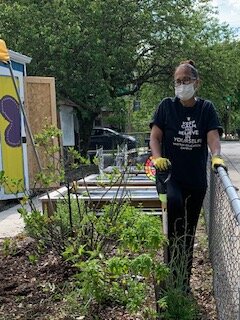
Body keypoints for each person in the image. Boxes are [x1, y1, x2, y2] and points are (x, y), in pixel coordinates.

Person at [149, 59, 226, 291]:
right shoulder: (166, 106)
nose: (181, 85)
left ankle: (183, 282)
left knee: (188, 233)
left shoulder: (206, 109)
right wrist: (156, 157)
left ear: (196, 83)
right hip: (171, 176)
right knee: (174, 225)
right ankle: (171, 276)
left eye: (186, 81)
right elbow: (155, 136)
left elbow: (212, 136)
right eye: (178, 81)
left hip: (196, 181)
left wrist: (216, 155)